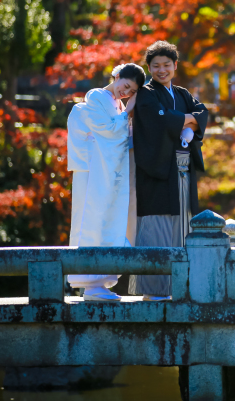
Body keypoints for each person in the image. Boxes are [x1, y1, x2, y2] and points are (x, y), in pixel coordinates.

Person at [128, 41, 208, 301]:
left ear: (175, 65)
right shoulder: (147, 94)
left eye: (166, 65)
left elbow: (202, 112)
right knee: (156, 226)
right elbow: (160, 120)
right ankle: (154, 289)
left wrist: (187, 119)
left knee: (182, 226)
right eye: (155, 66)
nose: (161, 70)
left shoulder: (182, 93)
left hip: (182, 171)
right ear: (149, 68)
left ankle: (178, 288)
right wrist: (188, 120)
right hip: (157, 171)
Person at [67, 63, 145, 301]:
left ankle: (100, 282)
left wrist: (125, 112)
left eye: (131, 91)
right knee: (91, 219)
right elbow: (108, 131)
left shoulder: (118, 104)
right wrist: (126, 112)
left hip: (105, 171)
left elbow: (118, 134)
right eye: (126, 85)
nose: (126, 93)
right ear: (117, 76)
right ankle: (90, 283)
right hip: (92, 171)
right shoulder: (97, 95)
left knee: (108, 220)